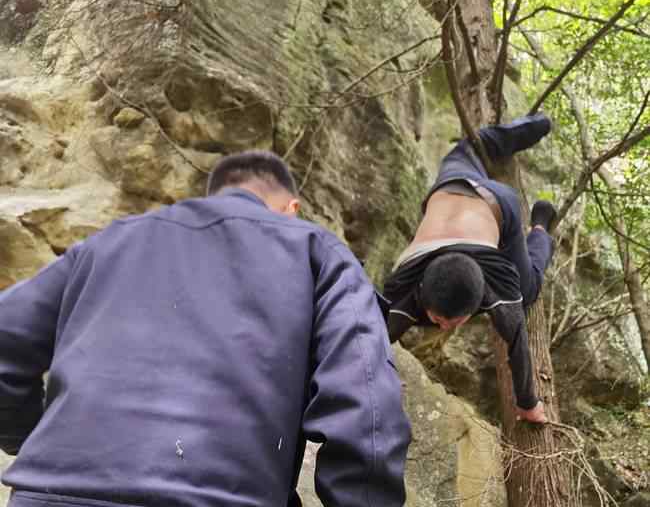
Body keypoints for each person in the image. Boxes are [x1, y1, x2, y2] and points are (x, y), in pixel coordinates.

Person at [0, 151, 411, 507]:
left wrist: (28, 440)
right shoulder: (317, 250)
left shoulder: (107, 243)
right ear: (291, 208)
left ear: (210, 197)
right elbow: (367, 404)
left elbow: (5, 335)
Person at [381, 113, 556, 424]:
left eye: (453, 321)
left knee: (527, 292)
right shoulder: (403, 287)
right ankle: (523, 129)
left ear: (483, 299)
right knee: (467, 148)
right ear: (420, 295)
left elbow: (517, 341)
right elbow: (372, 337)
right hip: (452, 186)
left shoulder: (498, 281)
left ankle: (541, 226)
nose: (445, 328)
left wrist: (529, 404)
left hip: (497, 205)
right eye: (438, 319)